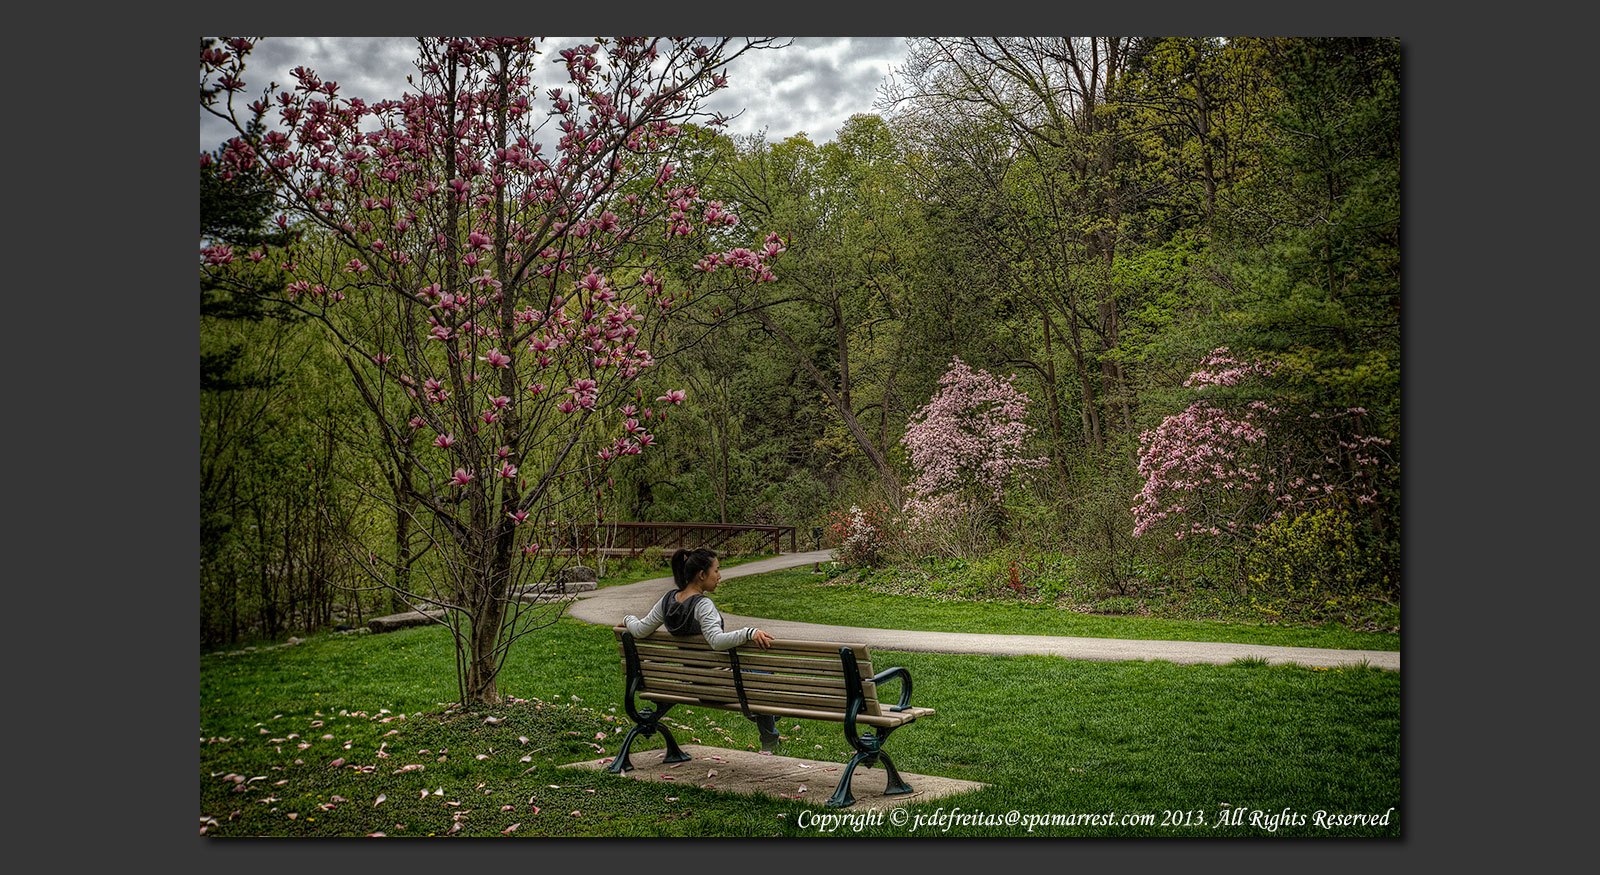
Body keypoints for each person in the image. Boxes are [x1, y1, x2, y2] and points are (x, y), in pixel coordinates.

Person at [621, 548, 783, 752]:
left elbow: (640, 630)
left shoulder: (667, 601)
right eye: (716, 570)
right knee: (763, 677)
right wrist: (749, 632)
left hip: (696, 682)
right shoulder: (703, 605)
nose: (720, 576)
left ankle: (766, 722)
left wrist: (627, 619)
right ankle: (769, 739)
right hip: (722, 686)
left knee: (756, 681)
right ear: (701, 574)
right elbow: (716, 641)